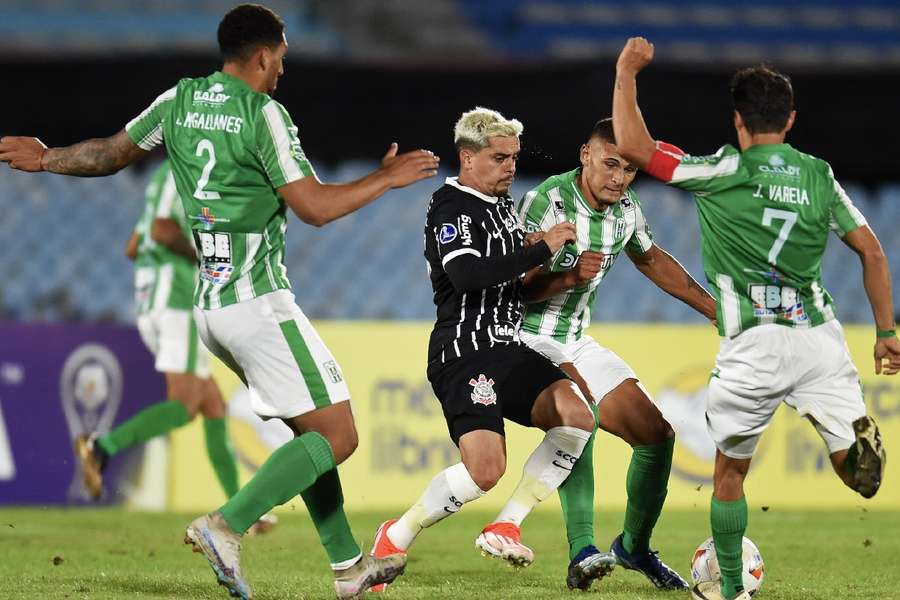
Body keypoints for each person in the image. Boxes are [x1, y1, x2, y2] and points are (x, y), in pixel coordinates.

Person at [0, 5, 439, 599]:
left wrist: (47, 156)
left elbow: (109, 153)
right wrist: (386, 179)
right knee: (338, 435)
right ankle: (225, 525)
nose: (283, 67)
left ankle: (348, 567)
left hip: (208, 304)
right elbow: (315, 207)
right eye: (281, 56)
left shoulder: (178, 99)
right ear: (263, 55)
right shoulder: (265, 115)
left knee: (310, 432)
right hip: (258, 302)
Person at [611, 37, 899, 600]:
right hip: (819, 338)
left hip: (753, 342)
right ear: (790, 119)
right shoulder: (819, 175)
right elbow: (872, 251)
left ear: (738, 121)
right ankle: (854, 455)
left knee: (728, 476)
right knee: (854, 477)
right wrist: (887, 333)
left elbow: (634, 146)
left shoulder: (721, 169)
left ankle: (732, 590)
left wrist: (627, 71)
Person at [368, 107, 595, 590]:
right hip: (464, 351)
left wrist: (565, 276)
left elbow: (517, 290)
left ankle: (505, 524)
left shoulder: (502, 208)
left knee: (577, 415)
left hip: (507, 347)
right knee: (485, 472)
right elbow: (468, 277)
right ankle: (395, 535)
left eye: (513, 157)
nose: (510, 166)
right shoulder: (451, 206)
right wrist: (540, 247)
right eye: (498, 157)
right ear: (467, 158)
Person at [495, 117, 716, 591]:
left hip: (574, 337)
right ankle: (581, 551)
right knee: (582, 415)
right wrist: (567, 278)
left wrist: (713, 309)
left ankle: (633, 548)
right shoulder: (546, 202)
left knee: (657, 436)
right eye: (611, 164)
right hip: (524, 338)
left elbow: (652, 258)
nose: (619, 177)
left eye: (630, 169)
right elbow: (508, 289)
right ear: (586, 156)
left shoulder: (626, 210)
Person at [74, 158, 275, 532]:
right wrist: (202, 259)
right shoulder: (183, 173)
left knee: (212, 404)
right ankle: (103, 446)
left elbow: (134, 245)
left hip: (153, 298)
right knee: (184, 405)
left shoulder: (160, 180)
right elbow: (163, 229)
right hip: (176, 299)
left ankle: (241, 510)